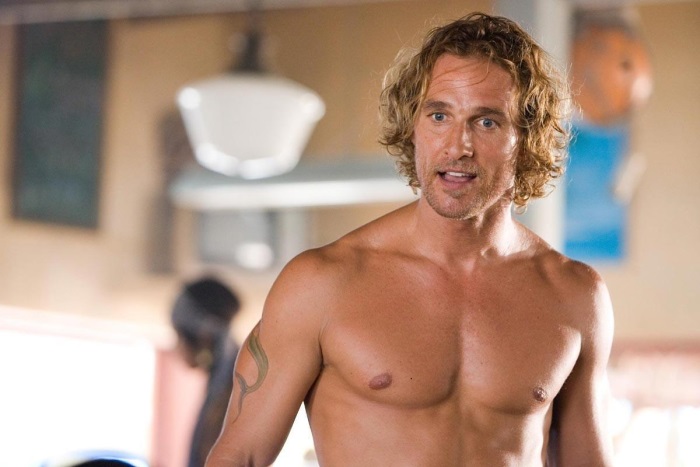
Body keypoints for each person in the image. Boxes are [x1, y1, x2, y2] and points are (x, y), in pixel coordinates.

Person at [206, 12, 615, 466]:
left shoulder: (573, 295)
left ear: (527, 138)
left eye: (486, 122)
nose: (457, 145)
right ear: (413, 127)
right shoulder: (323, 282)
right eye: (439, 115)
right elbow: (239, 455)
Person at [171, 277, 242, 467]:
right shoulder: (227, 377)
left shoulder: (232, 386)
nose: (176, 346)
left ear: (203, 336)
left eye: (178, 334)